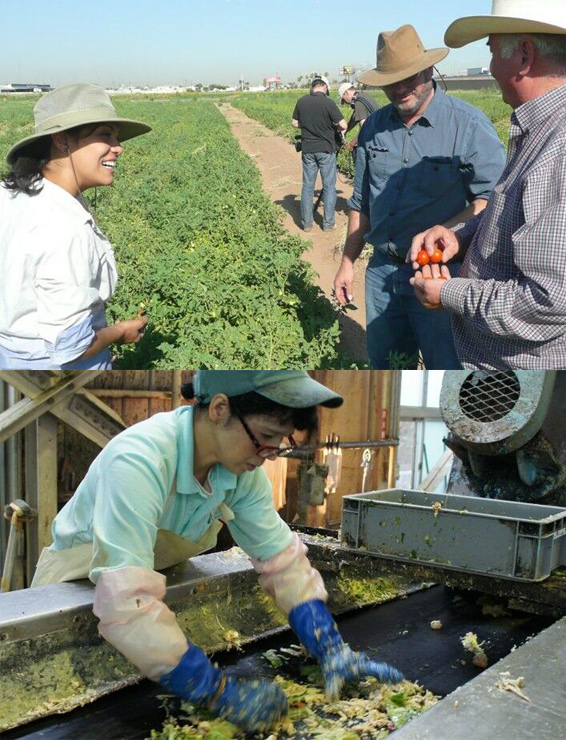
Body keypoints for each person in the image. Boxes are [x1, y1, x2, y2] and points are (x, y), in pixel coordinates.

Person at [31, 371, 404, 731]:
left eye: (280, 441)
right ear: (220, 408)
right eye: (265, 437)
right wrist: (218, 692)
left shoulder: (238, 472)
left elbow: (281, 560)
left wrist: (331, 647)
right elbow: (126, 603)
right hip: (70, 600)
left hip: (140, 611)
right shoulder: (140, 459)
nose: (269, 454)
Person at [413, 2, 566, 369]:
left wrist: (449, 292)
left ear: (524, 55)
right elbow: (528, 215)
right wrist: (463, 236)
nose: (490, 67)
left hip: (561, 369)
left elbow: (553, 302)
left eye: (492, 51)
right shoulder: (564, 120)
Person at [333, 24, 506, 371]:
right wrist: (348, 262)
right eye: (391, 82)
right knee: (386, 365)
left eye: (409, 78)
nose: (400, 89)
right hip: (382, 271)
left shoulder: (467, 125)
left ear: (428, 70)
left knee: (448, 366)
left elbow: (493, 199)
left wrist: (447, 228)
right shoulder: (373, 128)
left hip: (441, 270)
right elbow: (361, 202)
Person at [0, 84, 150, 368]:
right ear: (62, 140)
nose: (118, 148)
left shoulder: (11, 194)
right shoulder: (62, 227)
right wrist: (119, 332)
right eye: (105, 134)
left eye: (117, 138)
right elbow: (72, 347)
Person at [292, 78, 348, 231]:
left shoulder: (302, 101)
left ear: (312, 88)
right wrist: (331, 127)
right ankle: (328, 224)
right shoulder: (328, 103)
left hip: (308, 149)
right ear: (324, 87)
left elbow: (294, 123)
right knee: (329, 186)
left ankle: (307, 224)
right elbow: (343, 125)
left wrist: (308, 125)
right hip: (326, 149)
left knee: (308, 186)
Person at [340, 85, 378, 151]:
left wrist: (351, 144)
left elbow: (365, 130)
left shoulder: (359, 103)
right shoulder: (363, 96)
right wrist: (345, 130)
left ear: (346, 93)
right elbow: (355, 118)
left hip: (374, 142)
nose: (345, 103)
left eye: (343, 99)